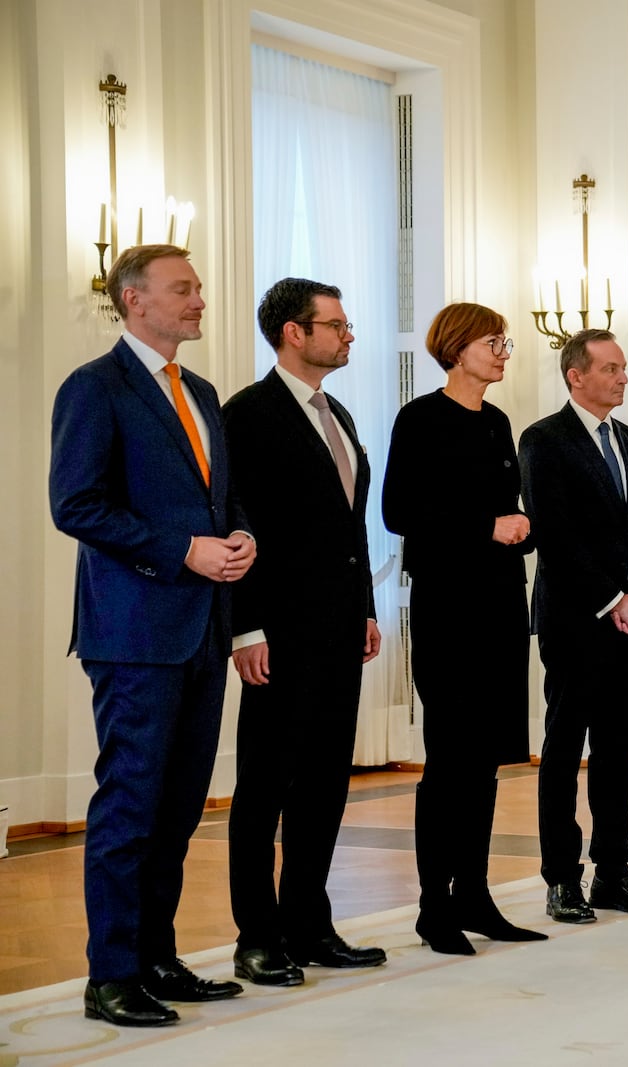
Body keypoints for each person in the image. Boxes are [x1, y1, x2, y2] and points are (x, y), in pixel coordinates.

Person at [49, 244, 255, 1026]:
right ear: (134, 299)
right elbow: (76, 504)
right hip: (134, 632)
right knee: (131, 804)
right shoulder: (93, 388)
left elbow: (223, 499)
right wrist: (182, 550)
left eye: (199, 286)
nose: (200, 298)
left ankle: (159, 958)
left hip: (204, 626)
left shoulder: (198, 390)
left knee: (178, 806)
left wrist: (239, 536)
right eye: (183, 288)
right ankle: (111, 976)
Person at [223, 278, 386, 986]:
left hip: (339, 629)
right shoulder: (249, 415)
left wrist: (367, 608)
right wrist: (245, 628)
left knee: (324, 782)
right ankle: (256, 934)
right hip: (277, 633)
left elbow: (349, 528)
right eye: (337, 324)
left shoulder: (339, 412)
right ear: (295, 332)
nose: (349, 335)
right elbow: (239, 522)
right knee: (264, 786)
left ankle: (309, 921)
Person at [382, 303, 543, 954]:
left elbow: (503, 509)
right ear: (456, 348)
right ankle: (433, 907)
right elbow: (399, 510)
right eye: (492, 341)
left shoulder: (500, 421)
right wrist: (486, 527)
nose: (504, 351)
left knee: (486, 760)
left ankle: (473, 894)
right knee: (450, 758)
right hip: (449, 607)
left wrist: (520, 525)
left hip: (503, 601)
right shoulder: (419, 419)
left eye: (506, 342)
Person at [518, 329, 628, 923]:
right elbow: (553, 536)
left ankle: (614, 870)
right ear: (575, 376)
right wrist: (613, 600)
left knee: (619, 749)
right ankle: (562, 877)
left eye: (624, 368)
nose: (622, 377)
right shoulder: (544, 440)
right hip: (576, 619)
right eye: (610, 368)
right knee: (563, 750)